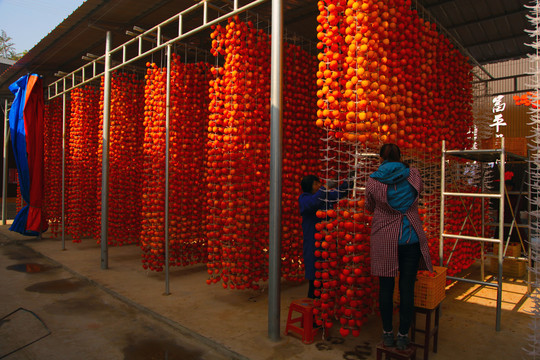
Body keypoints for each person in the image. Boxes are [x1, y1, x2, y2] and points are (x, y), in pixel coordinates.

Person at [365, 144, 433, 350]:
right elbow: (418, 194)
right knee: (407, 289)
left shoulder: (373, 180)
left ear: (381, 158)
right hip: (410, 237)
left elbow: (369, 206)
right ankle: (403, 335)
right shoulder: (413, 175)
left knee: (385, 289)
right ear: (400, 156)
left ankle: (387, 333)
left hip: (385, 239)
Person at [299, 174, 349, 299]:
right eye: (316, 184)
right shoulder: (304, 199)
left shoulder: (323, 195)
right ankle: (314, 311)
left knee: (327, 276)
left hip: (327, 242)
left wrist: (347, 183)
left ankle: (322, 310)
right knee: (316, 279)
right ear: (310, 186)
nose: (319, 185)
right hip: (313, 243)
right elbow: (314, 202)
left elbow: (338, 193)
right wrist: (325, 187)